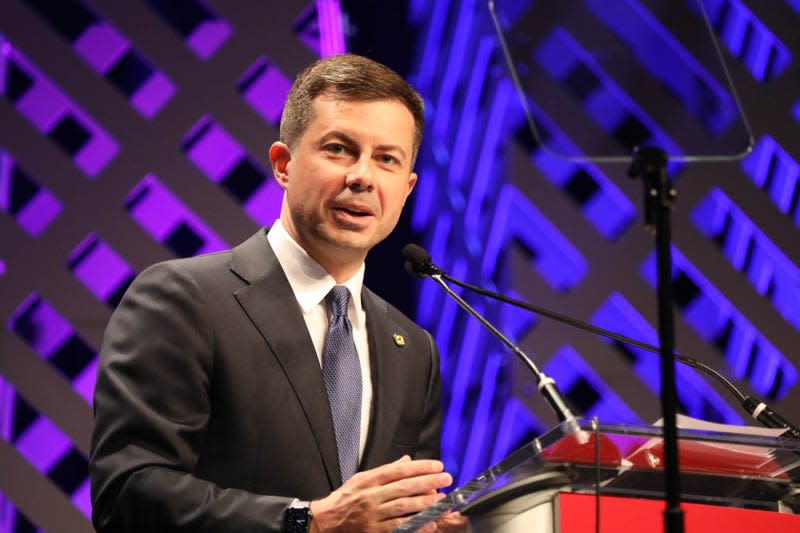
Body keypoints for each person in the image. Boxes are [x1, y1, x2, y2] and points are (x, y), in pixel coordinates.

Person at [89, 54, 466, 533]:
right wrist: (306, 522)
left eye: (386, 159)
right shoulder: (182, 299)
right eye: (339, 149)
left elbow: (399, 510)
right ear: (284, 165)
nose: (362, 177)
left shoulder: (413, 349)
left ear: (406, 188)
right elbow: (127, 494)